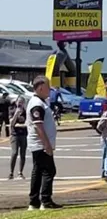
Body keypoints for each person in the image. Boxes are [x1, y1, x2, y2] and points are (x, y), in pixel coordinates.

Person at [26, 76, 62, 210]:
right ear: (41, 87)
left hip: (39, 144)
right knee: (49, 171)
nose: (50, 90)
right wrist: (46, 145)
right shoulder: (37, 104)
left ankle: (34, 201)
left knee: (38, 171)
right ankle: (45, 201)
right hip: (40, 144)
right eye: (48, 87)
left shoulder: (41, 102)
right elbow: (38, 126)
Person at [9, 97, 27, 180]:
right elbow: (11, 123)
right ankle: (11, 172)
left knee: (23, 154)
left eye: (22, 102)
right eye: (19, 102)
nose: (20, 103)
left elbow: (28, 122)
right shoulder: (12, 110)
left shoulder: (26, 112)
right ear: (16, 102)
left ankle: (20, 172)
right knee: (15, 152)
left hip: (23, 134)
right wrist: (16, 114)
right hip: (15, 134)